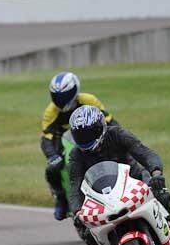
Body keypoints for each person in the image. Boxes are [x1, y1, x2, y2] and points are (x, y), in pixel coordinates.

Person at [67, 105, 170, 245]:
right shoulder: (76, 155)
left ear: (100, 127)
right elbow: (75, 185)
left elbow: (144, 153)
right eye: (80, 136)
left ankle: (169, 223)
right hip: (102, 195)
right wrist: (77, 212)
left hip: (134, 180)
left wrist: (156, 173)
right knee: (88, 234)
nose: (84, 139)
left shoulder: (117, 134)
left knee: (162, 196)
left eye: (88, 134)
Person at [41, 71, 117, 220]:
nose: (61, 100)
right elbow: (46, 138)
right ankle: (61, 199)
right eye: (57, 97)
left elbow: (109, 121)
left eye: (65, 95)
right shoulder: (51, 111)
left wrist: (115, 139)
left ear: (75, 90)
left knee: (118, 155)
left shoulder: (89, 100)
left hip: (92, 138)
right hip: (65, 145)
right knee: (51, 170)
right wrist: (52, 155)